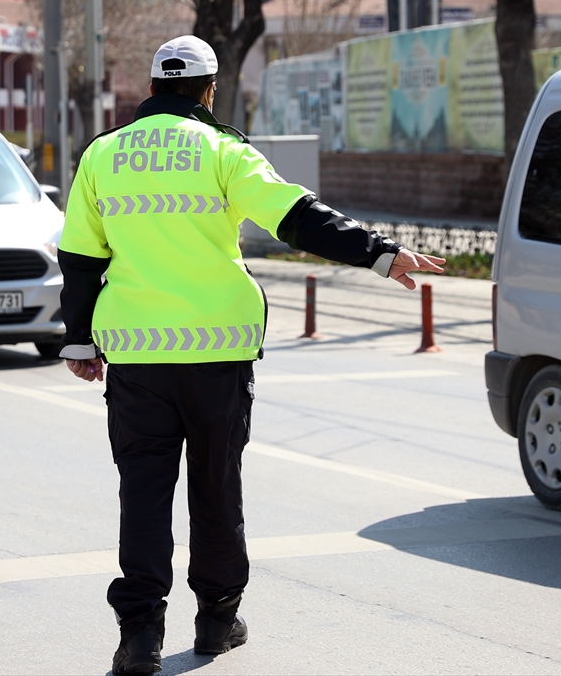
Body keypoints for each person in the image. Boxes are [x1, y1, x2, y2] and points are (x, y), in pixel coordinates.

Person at [57, 35, 445, 675]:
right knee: (217, 489)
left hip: (136, 358)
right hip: (218, 354)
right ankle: (216, 621)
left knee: (143, 494)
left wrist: (78, 339)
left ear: (152, 89)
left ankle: (139, 637)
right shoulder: (222, 149)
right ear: (209, 91)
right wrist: (380, 253)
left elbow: (79, 257)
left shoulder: (102, 154)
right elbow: (297, 216)